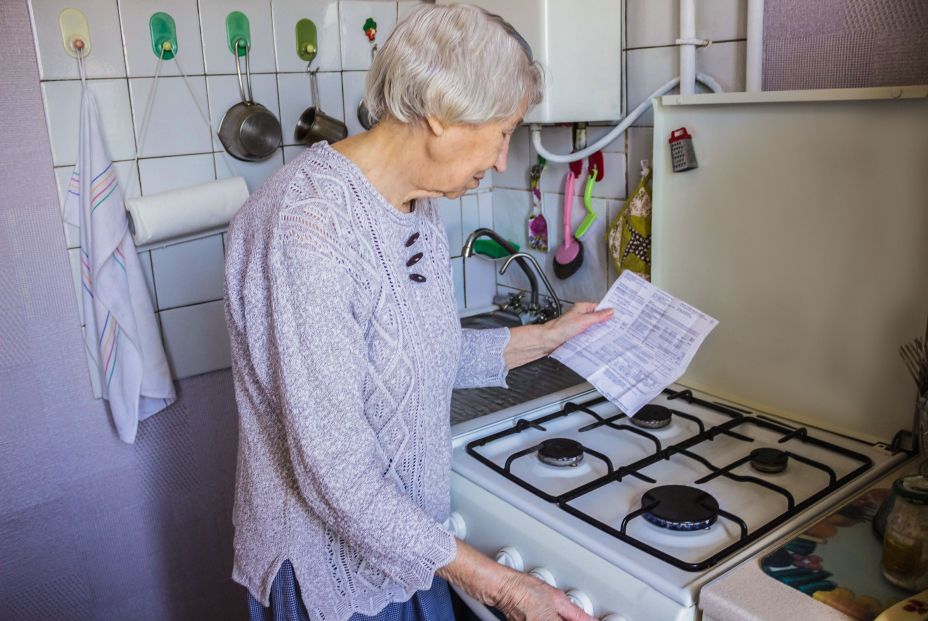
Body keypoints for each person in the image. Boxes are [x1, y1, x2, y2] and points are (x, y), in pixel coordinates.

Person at [224, 4, 613, 620]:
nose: (501, 161)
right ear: (440, 111)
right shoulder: (306, 226)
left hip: (410, 548)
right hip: (331, 576)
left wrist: (548, 337)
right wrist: (504, 586)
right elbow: (336, 478)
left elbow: (418, 352)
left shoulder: (416, 205)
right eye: (503, 131)